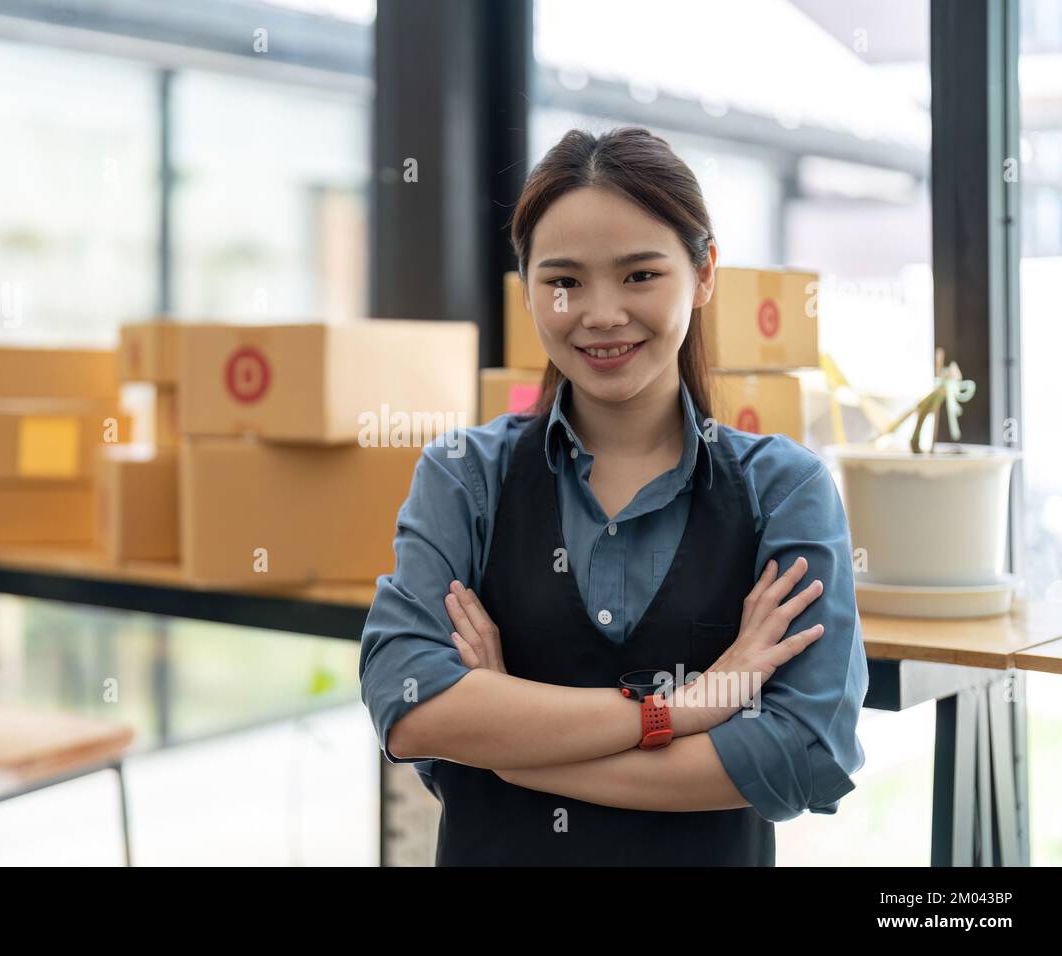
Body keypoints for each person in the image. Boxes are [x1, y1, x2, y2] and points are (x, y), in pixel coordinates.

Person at [358, 126, 868, 866]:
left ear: (704, 273)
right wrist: (687, 707)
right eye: (564, 280)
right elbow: (407, 704)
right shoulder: (465, 474)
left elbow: (804, 754)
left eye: (639, 276)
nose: (599, 314)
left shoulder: (784, 490)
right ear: (529, 287)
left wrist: (513, 749)